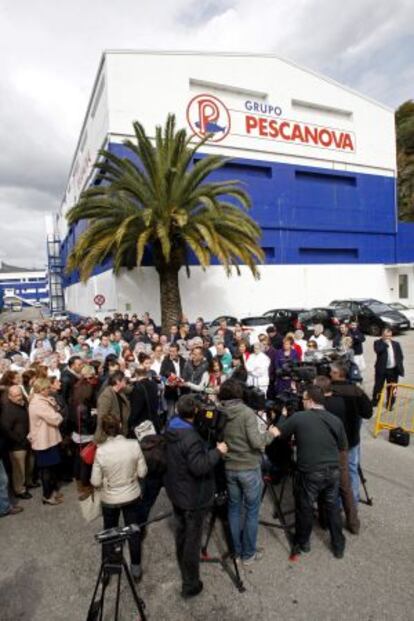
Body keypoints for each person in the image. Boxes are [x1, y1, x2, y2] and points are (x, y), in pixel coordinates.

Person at [164, 394, 228, 597]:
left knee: (181, 531)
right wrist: (218, 452)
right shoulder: (190, 437)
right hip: (192, 496)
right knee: (192, 539)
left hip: (177, 490)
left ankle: (182, 560)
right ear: (196, 412)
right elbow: (199, 467)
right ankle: (190, 583)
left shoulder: (171, 426)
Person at [273, 385, 347, 558]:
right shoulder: (335, 420)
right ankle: (338, 545)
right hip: (333, 471)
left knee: (305, 507)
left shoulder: (299, 417)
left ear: (311, 401)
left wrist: (282, 416)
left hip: (310, 472)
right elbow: (343, 446)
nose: (302, 402)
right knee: (333, 507)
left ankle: (303, 542)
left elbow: (277, 433)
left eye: (303, 399)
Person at [219, 380, 278, 564]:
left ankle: (236, 552)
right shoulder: (246, 412)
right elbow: (257, 442)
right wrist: (271, 434)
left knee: (234, 509)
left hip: (230, 467)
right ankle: (248, 554)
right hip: (248, 468)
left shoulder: (220, 411)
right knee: (252, 511)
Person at [91, 414, 148, 582]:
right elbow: (142, 472)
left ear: (103, 430)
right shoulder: (133, 445)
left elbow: (95, 481)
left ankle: (109, 568)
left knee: (109, 531)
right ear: (121, 425)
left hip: (110, 497)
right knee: (133, 530)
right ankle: (136, 568)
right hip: (131, 494)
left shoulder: (101, 450)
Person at [313, 375, 360, 534]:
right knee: (345, 487)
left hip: (327, 450)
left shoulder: (320, 407)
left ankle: (324, 520)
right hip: (342, 448)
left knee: (322, 485)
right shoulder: (341, 401)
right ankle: (354, 523)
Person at [330, 362, 373, 504]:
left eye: (331, 371)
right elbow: (367, 413)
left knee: (336, 472)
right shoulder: (356, 391)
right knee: (352, 469)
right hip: (352, 439)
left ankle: (337, 504)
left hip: (335, 441)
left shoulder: (328, 391)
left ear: (337, 374)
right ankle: (352, 503)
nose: (329, 373)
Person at [28, 378, 64, 505]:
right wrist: (58, 413)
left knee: (51, 468)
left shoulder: (41, 400)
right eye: (48, 388)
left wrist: (54, 405)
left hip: (48, 439)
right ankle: (46, 496)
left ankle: (52, 492)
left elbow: (56, 409)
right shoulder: (39, 404)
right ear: (42, 390)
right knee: (47, 470)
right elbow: (55, 419)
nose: (50, 390)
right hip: (44, 441)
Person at [71, 365, 98, 500]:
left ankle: (80, 484)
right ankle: (86, 486)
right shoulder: (85, 404)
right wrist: (95, 416)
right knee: (86, 461)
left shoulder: (76, 392)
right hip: (85, 434)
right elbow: (89, 421)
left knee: (78, 459)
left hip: (76, 433)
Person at [0, 385, 33, 499]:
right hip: (16, 445)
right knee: (18, 469)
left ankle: (28, 483)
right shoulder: (8, 410)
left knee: (27, 465)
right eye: (16, 396)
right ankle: (20, 490)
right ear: (9, 396)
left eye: (20, 394)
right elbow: (6, 429)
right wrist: (20, 440)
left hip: (25, 441)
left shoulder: (22, 404)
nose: (19, 397)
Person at [372, 328, 404, 407]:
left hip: (393, 370)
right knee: (378, 387)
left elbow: (400, 356)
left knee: (393, 388)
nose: (388, 338)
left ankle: (390, 403)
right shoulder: (377, 343)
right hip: (381, 369)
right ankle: (375, 401)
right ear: (382, 335)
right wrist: (385, 343)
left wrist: (398, 365)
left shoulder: (396, 344)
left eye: (389, 336)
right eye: (386, 336)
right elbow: (378, 350)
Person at [95, 371, 130, 442]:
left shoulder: (120, 392)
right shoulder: (106, 396)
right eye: (124, 380)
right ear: (118, 382)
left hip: (119, 432)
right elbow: (102, 417)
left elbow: (130, 389)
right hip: (108, 435)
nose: (126, 382)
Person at [129, 367, 160, 433]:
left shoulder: (138, 387)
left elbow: (136, 408)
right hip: (154, 419)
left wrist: (131, 421)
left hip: (143, 422)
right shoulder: (154, 384)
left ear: (136, 375)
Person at [160, 343, 186, 421]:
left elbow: (186, 373)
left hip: (182, 389)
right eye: (170, 351)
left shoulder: (183, 360)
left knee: (181, 412)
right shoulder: (165, 361)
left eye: (174, 351)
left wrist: (182, 380)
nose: (172, 353)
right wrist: (169, 378)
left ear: (178, 351)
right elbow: (162, 374)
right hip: (170, 390)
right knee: (170, 413)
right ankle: (169, 430)